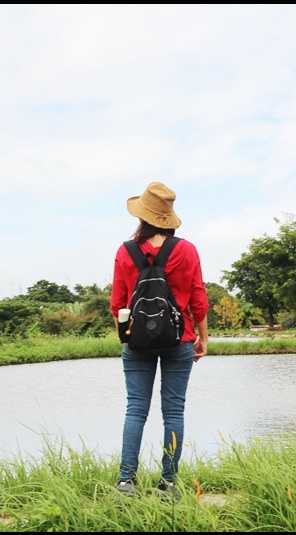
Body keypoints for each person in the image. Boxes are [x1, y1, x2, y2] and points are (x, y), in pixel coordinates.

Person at [109, 181, 209, 500]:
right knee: (174, 412)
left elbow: (117, 304)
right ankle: (167, 485)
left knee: (136, 409)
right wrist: (202, 338)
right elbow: (198, 299)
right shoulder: (186, 249)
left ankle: (126, 482)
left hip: (136, 344)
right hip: (180, 340)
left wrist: (129, 337)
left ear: (141, 216)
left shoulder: (125, 251)